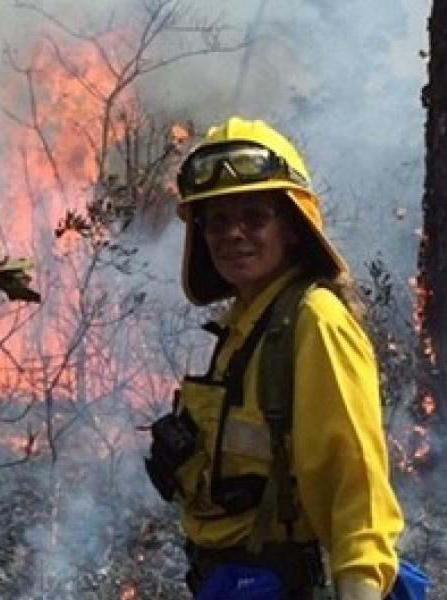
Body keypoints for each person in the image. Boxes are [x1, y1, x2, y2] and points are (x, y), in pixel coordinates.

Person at [145, 117, 405, 600]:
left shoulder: (316, 323)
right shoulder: (247, 326)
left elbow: (356, 489)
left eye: (253, 216)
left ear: (292, 227)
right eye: (217, 221)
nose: (233, 234)